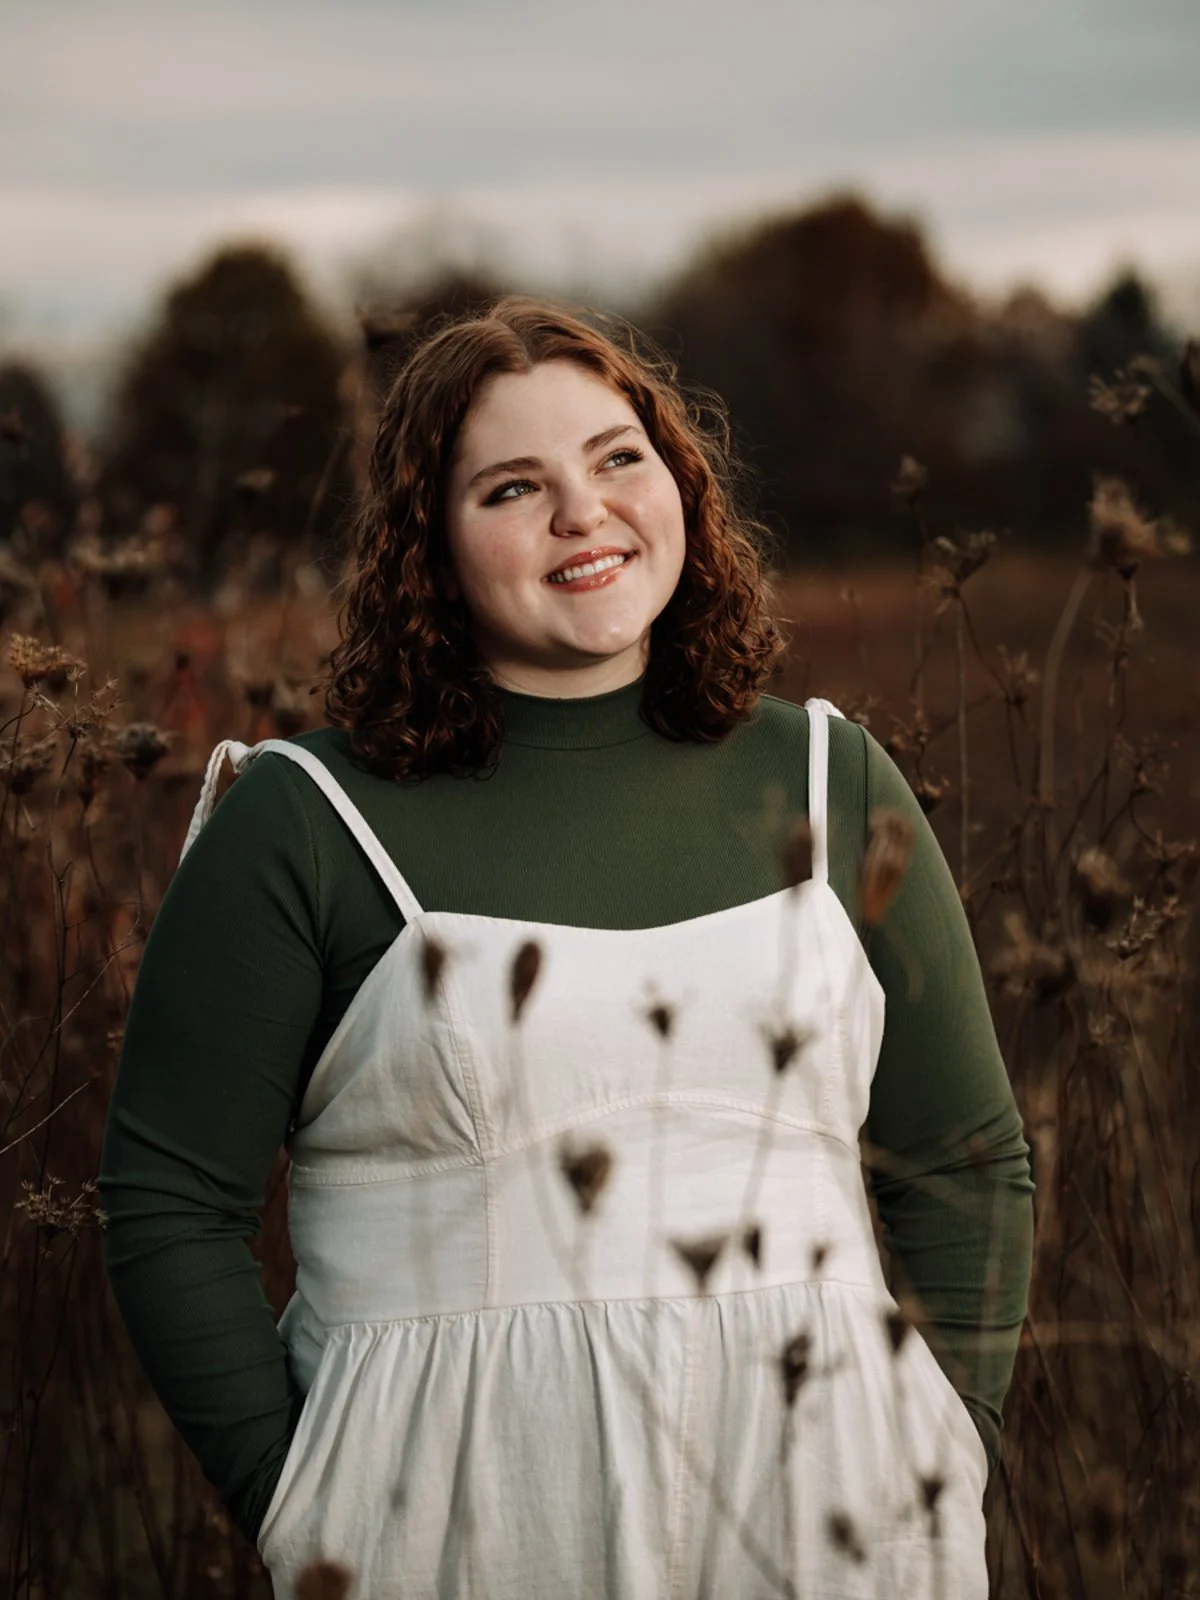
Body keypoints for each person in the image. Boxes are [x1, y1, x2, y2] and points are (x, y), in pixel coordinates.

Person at [99, 296, 1034, 1599]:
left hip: (838, 1512)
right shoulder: (308, 823)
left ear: (679, 483)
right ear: (428, 543)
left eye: (617, 459)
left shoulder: (832, 780)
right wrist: (302, 1501)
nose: (583, 513)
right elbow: (170, 1203)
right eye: (513, 488)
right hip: (458, 1526)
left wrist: (943, 1441)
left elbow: (966, 1157)